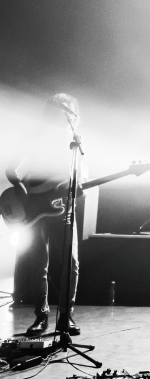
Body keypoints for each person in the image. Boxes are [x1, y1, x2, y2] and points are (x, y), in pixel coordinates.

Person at [5, 93, 82, 336]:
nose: (64, 114)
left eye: (67, 110)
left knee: (71, 263)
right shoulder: (35, 138)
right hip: (34, 210)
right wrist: (22, 192)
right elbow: (11, 168)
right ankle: (41, 316)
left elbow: (81, 176)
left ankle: (66, 316)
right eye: (59, 109)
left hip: (63, 208)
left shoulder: (75, 140)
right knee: (39, 264)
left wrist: (79, 185)